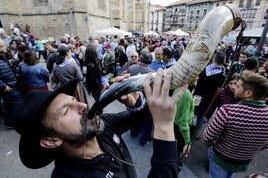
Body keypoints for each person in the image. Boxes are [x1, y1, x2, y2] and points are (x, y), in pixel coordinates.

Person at [13, 69, 187, 177]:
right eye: (66, 110)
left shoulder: (98, 126)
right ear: (51, 140)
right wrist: (164, 128)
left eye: (74, 100)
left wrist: (134, 101)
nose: (82, 105)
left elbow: (139, 116)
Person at [203, 71, 268, 178]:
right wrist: (247, 149)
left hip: (221, 158)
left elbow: (207, 137)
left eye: (238, 86)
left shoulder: (228, 111)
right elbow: (265, 144)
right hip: (243, 162)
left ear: (248, 93)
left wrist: (214, 144)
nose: (234, 88)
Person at [0, 40, 23, 129]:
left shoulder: (3, 57)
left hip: (10, 85)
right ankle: (14, 123)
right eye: (3, 46)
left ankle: (10, 123)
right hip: (7, 86)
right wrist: (3, 86)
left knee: (9, 104)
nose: (6, 47)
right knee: (18, 103)